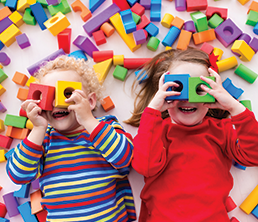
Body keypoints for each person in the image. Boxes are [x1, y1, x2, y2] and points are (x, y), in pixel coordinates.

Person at [125, 48, 258, 221]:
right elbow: (145, 167)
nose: (188, 99)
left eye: (199, 89)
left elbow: (253, 156)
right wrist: (153, 111)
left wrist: (234, 107)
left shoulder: (222, 130)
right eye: (178, 88)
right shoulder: (155, 130)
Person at [7, 55, 136, 222]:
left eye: (66, 93)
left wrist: (89, 120)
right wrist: (38, 128)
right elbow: (18, 175)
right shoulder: (44, 140)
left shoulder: (105, 127)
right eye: (49, 97)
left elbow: (125, 159)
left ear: (90, 102)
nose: (57, 103)